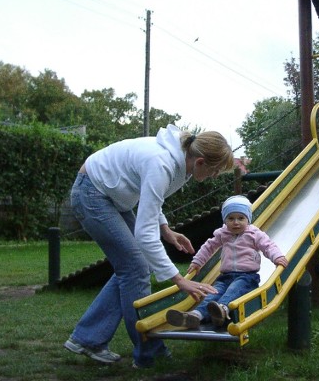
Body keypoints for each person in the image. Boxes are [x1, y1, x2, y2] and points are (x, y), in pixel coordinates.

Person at [64, 124, 234, 369]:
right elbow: (145, 234)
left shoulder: (179, 162)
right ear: (200, 162)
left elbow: (153, 197)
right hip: (92, 194)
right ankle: (149, 352)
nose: (214, 176)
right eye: (215, 170)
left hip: (111, 197)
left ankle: (87, 338)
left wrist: (166, 230)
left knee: (130, 268)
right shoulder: (162, 162)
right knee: (135, 269)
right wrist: (179, 279)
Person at [166, 195, 288, 329]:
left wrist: (277, 257)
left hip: (247, 277)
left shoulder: (254, 234)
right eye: (231, 218)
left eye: (241, 218)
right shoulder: (222, 234)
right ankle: (195, 316)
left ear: (248, 219)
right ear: (225, 220)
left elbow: (268, 246)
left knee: (233, 291)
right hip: (225, 277)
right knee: (213, 294)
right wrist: (197, 262)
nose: (236, 222)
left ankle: (222, 310)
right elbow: (208, 247)